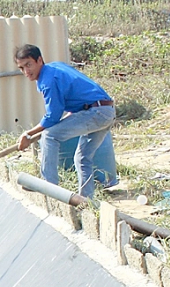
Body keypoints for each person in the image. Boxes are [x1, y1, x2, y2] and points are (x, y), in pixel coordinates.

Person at [15, 44, 116, 198]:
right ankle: (86, 200)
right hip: (106, 110)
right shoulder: (56, 67)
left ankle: (49, 186)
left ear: (39, 60)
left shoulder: (47, 80)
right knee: (82, 158)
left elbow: (53, 116)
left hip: (95, 112)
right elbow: (73, 100)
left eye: (28, 65)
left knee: (49, 135)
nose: (26, 71)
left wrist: (28, 134)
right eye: (21, 68)